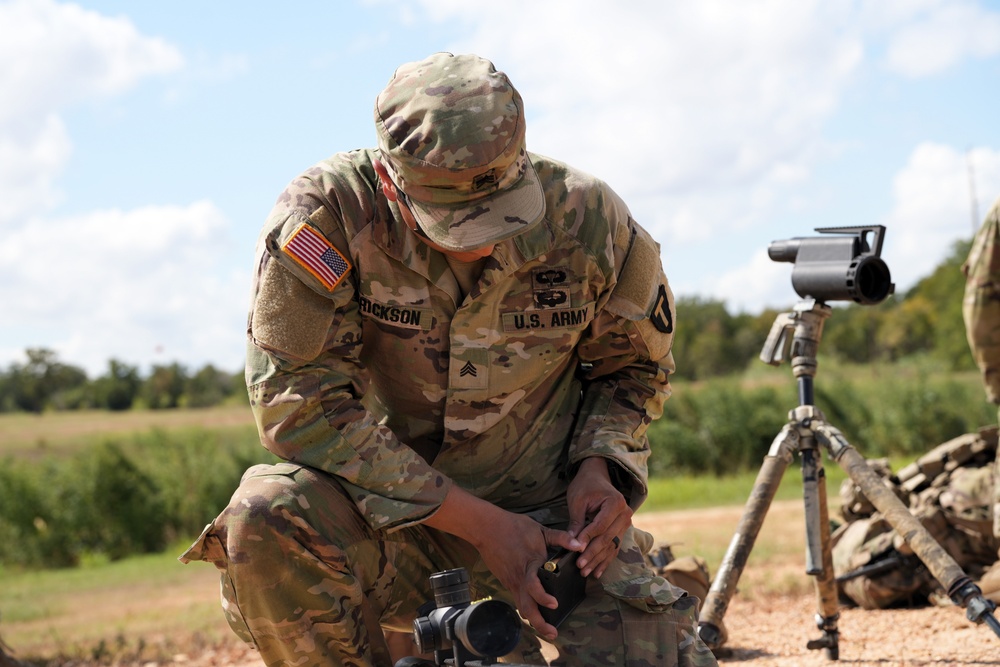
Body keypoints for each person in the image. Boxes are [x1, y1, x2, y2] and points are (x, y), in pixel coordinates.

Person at [180, 52, 716, 667]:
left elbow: (635, 369)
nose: (480, 241)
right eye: (450, 223)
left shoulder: (591, 221)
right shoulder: (327, 218)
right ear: (390, 179)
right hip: (388, 527)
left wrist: (601, 467)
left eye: (499, 214)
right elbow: (296, 406)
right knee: (266, 515)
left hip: (552, 531)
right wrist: (483, 525)